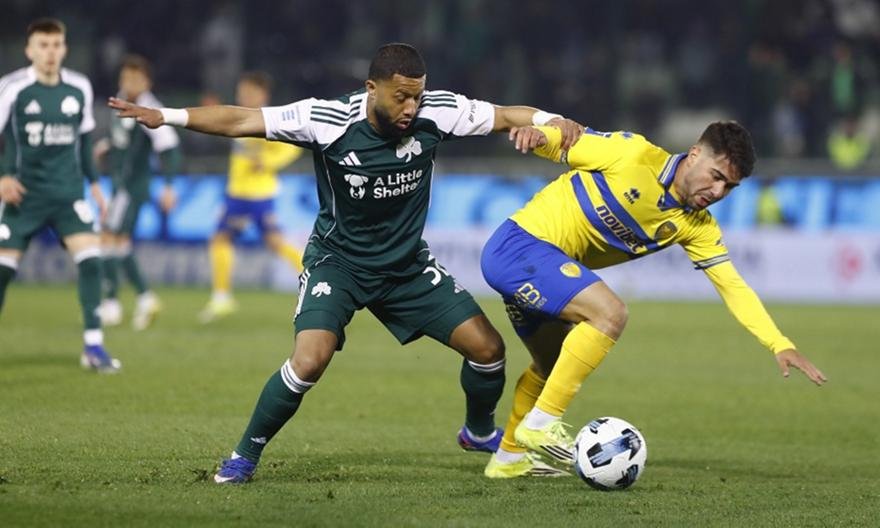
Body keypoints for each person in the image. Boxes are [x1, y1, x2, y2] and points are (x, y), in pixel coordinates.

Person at [109, 43, 583, 483]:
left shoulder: (439, 112)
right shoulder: (328, 119)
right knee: (309, 361)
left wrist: (551, 118)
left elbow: (506, 115)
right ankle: (243, 456)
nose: (411, 108)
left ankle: (477, 433)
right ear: (371, 88)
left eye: (417, 96)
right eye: (401, 97)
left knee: (488, 350)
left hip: (405, 268)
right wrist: (167, 116)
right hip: (339, 264)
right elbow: (241, 120)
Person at [480, 121, 828, 478]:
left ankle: (508, 459)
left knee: (551, 366)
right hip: (519, 248)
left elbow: (732, 286)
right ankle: (542, 422)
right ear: (695, 154)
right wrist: (539, 135)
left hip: (545, 269)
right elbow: (568, 142)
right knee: (610, 314)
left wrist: (779, 343)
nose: (718, 191)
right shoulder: (633, 155)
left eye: (729, 186)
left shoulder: (697, 225)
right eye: (716, 176)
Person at [0, 18, 121, 372]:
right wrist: (2, 176)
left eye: (56, 45)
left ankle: (93, 346)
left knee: (92, 260)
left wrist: (95, 185)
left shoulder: (79, 87)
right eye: (43, 45)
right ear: (29, 50)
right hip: (23, 197)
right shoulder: (12, 88)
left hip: (68, 194)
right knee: (3, 270)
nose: (50, 52)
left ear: (64, 48)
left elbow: (84, 141)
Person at [199, 71, 306, 323]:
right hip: (237, 193)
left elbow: (292, 147)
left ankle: (314, 277)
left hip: (259, 194)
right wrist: (210, 113)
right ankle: (222, 297)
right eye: (242, 91)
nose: (244, 96)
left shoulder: (270, 119)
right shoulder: (240, 115)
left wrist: (267, 161)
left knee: (273, 241)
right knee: (221, 239)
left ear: (263, 94)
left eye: (249, 92)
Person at [95, 54, 181, 330]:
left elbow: (170, 148)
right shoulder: (121, 100)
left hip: (132, 187)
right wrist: (107, 146)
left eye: (135, 78)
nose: (129, 83)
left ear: (147, 82)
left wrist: (169, 186)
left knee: (108, 237)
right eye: (126, 77)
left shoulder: (150, 109)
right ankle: (145, 299)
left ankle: (112, 304)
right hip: (119, 185)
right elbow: (124, 139)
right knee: (119, 242)